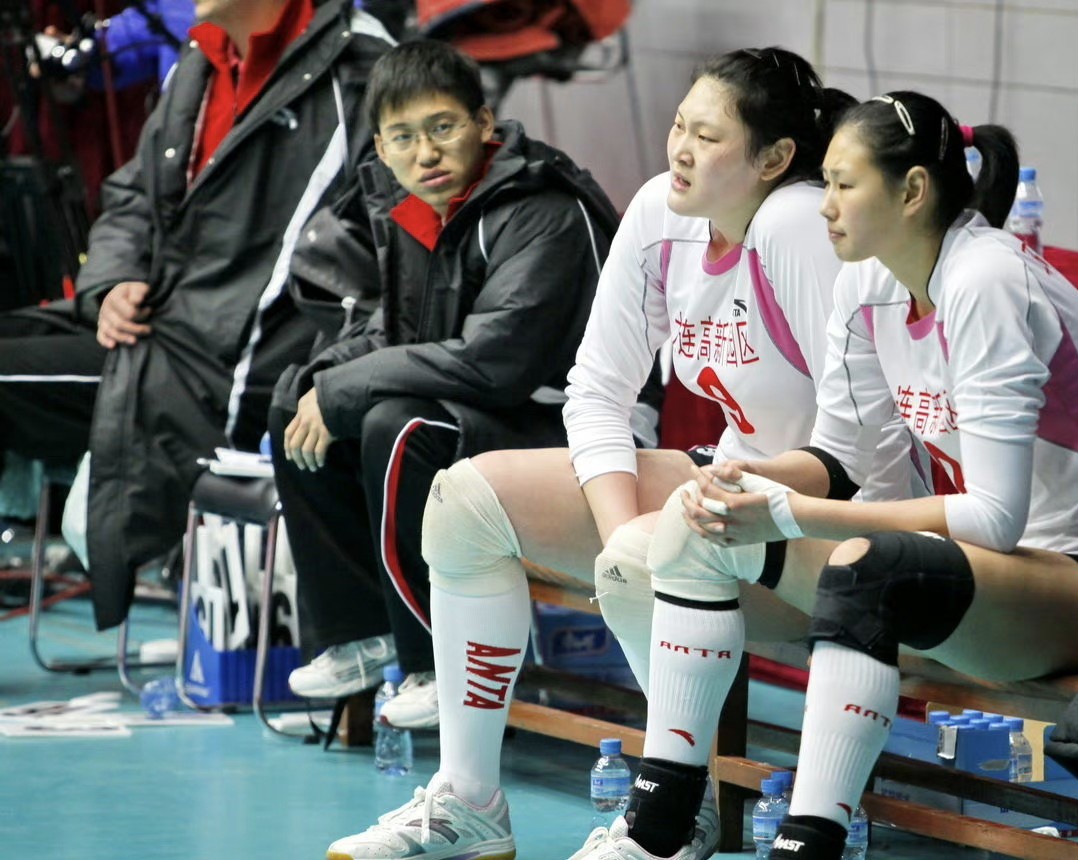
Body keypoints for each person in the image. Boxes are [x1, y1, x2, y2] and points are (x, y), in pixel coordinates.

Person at [324, 47, 919, 860]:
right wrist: (618, 536)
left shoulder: (795, 227)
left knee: (655, 550)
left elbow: (869, 444)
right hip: (730, 487)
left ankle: (674, 809)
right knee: (466, 500)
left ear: (774, 158)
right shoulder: (659, 212)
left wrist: (666, 540)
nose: (680, 149)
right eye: (679, 126)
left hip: (834, 523)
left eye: (707, 137)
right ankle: (470, 800)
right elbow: (596, 391)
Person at [658, 91, 1078, 860]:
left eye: (844, 185)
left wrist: (794, 514)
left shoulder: (988, 281)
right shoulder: (866, 281)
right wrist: (747, 480)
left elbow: (993, 518)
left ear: (911, 191)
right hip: (994, 575)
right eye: (825, 184)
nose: (824, 206)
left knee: (869, 570)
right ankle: (660, 824)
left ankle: (807, 844)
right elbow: (841, 461)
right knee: (695, 529)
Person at [0, 0, 393, 630]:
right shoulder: (201, 57)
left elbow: (376, 259)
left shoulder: (362, 66)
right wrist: (111, 282)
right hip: (155, 320)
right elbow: (133, 195)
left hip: (214, 364)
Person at [272, 38, 632, 728]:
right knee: (298, 399)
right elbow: (401, 333)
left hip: (583, 432)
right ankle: (363, 634)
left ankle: (441, 660)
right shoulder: (415, 208)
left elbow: (495, 362)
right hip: (496, 411)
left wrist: (345, 389)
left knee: (400, 427)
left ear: (484, 123)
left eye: (443, 127)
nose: (426, 153)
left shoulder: (542, 209)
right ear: (381, 148)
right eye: (403, 137)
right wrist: (323, 382)